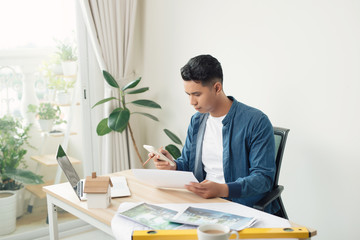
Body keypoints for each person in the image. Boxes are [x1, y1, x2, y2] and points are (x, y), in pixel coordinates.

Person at [149, 54, 278, 214]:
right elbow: (188, 165)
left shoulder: (256, 122)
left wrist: (222, 190)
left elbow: (263, 179)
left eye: (197, 94)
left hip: (240, 208)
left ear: (217, 88)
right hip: (201, 203)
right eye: (188, 95)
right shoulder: (197, 121)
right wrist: (173, 165)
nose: (192, 102)